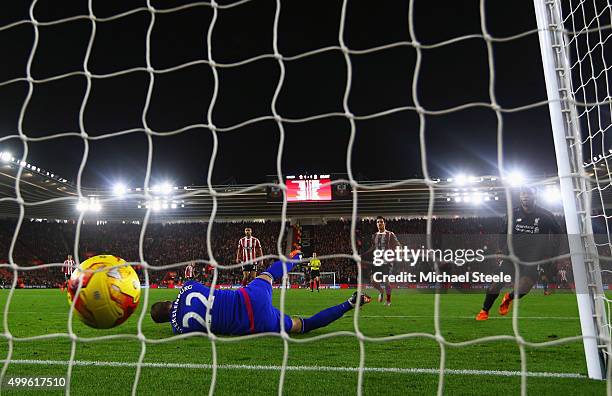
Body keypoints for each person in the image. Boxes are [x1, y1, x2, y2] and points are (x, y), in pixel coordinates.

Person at [150, 251, 371, 335]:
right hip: (248, 297)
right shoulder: (187, 286)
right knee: (266, 275)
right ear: (167, 301)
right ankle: (295, 258)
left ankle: (349, 304)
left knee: (302, 325)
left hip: (256, 323)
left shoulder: (178, 328)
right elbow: (201, 287)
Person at [476, 187, 562, 321]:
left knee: (525, 286)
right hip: (512, 255)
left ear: (535, 196)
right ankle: (484, 310)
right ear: (520, 196)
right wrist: (500, 249)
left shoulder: (546, 215)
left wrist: (552, 254)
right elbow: (503, 232)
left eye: (529, 193)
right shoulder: (513, 213)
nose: (525, 196)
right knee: (495, 285)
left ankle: (508, 298)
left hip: (533, 258)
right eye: (523, 194)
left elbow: (558, 234)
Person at [363, 216, 400, 306]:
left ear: (385, 223)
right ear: (376, 224)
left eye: (381, 222)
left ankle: (388, 301)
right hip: (377, 261)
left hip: (387, 261)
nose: (380, 223)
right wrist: (363, 255)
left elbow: (398, 245)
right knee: (373, 281)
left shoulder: (390, 234)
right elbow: (373, 248)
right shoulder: (374, 235)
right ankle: (381, 290)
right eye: (378, 222)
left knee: (386, 281)